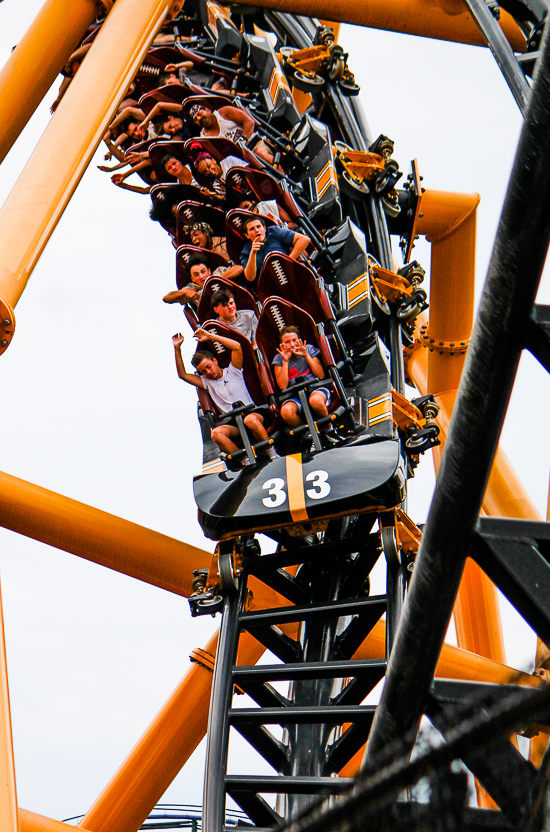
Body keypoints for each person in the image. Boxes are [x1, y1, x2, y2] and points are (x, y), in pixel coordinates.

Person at [172, 330, 278, 459]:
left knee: (250, 420)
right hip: (233, 421)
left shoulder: (233, 371)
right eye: (203, 371)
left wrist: (210, 336)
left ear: (215, 361)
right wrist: (177, 348)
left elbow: (237, 346)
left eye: (208, 366)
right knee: (216, 434)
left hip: (252, 413)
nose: (208, 372)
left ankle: (272, 454)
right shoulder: (206, 382)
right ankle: (246, 461)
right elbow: (182, 375)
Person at [272, 325, 338, 448]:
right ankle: (309, 436)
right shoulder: (279, 359)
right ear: (282, 345)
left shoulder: (308, 349)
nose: (291, 344)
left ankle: (330, 431)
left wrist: (306, 356)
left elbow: (321, 374)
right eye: (287, 342)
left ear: (300, 340)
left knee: (316, 401)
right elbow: (282, 385)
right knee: (286, 411)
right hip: (295, 395)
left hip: (315, 389)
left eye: (294, 340)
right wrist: (285, 361)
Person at [190, 102, 274, 164]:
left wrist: (243, 140)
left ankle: (285, 177)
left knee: (259, 153)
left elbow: (249, 121)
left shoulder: (224, 113)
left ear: (208, 110)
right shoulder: (204, 138)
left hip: (254, 143)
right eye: (195, 120)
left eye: (199, 114)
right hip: (240, 161)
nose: (199, 118)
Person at [239, 217, 311, 288]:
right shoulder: (246, 251)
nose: (257, 230)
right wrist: (253, 253)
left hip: (292, 274)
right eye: (252, 229)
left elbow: (304, 239)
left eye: (258, 226)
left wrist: (288, 260)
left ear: (264, 228)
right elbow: (250, 277)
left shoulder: (274, 232)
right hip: (273, 285)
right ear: (247, 235)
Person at [163, 254, 243, 308]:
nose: (201, 276)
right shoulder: (192, 289)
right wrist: (183, 292)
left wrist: (218, 279)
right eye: (196, 274)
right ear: (192, 278)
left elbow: (239, 268)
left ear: (209, 271)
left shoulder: (218, 272)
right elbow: (166, 298)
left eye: (203, 272)